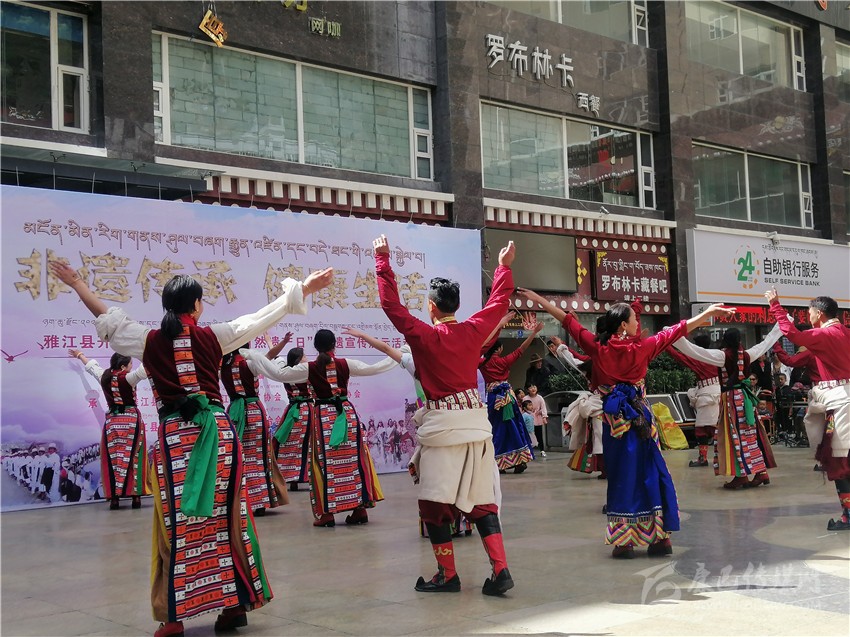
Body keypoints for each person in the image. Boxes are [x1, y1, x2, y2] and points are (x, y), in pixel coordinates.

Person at [49, 258, 333, 637]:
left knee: (175, 523)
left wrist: (77, 282)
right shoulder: (214, 336)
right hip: (218, 434)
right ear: (197, 305)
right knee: (229, 517)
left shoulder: (148, 339)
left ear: (166, 305)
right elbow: (259, 319)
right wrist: (303, 290)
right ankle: (234, 604)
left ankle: (174, 617)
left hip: (175, 441)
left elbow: (108, 318)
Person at [519, 286, 734, 558]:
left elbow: (567, 321)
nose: (637, 324)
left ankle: (624, 541)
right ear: (623, 325)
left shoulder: (598, 348)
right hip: (642, 420)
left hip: (615, 423)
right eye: (634, 319)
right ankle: (659, 538)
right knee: (651, 472)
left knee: (621, 476)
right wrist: (708, 314)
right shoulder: (644, 347)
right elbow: (677, 330)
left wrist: (539, 300)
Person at [374, 233, 517, 596]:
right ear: (456, 305)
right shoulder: (473, 330)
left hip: (442, 429)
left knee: (434, 505)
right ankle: (500, 569)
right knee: (481, 501)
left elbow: (391, 306)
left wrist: (383, 261)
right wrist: (502, 268)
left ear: (431, 307)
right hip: (475, 427)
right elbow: (499, 302)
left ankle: (447, 575)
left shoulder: (424, 336)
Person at [242, 329, 395, 528]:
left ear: (315, 347)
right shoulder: (345, 364)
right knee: (353, 461)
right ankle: (359, 509)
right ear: (334, 344)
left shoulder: (309, 368)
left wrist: (252, 354)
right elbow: (375, 368)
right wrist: (400, 355)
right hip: (346, 415)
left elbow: (279, 373)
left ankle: (326, 514)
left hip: (323, 418)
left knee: (323, 465)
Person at [765, 290, 850, 531]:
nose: (808, 315)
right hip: (840, 399)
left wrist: (775, 305)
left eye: (810, 312)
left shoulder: (824, 335)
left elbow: (793, 334)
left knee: (839, 460)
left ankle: (848, 515)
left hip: (840, 403)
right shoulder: (845, 333)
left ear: (819, 313)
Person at [672, 323, 783, 490]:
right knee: (750, 435)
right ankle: (761, 472)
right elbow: (765, 343)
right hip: (745, 399)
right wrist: (780, 327)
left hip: (731, 400)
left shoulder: (722, 356)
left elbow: (695, 351)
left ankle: (741, 476)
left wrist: (672, 337)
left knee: (734, 437)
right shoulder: (748, 354)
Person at [70, 348, 149, 510]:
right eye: (130, 364)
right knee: (133, 457)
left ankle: (114, 499)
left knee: (113, 459)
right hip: (131, 421)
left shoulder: (104, 376)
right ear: (123, 367)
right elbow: (145, 369)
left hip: (112, 422)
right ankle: (135, 497)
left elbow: (92, 367)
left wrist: (80, 355)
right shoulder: (129, 378)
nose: (131, 367)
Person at [220, 336, 290, 516]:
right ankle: (260, 501)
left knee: (239, 456)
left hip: (234, 413)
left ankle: (241, 500)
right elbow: (269, 356)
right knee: (258, 457)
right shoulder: (250, 363)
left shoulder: (223, 367)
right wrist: (282, 343)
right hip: (253, 412)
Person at [479, 318, 542, 474]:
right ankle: (519, 460)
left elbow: (477, 349)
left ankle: (499, 462)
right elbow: (521, 349)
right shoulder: (503, 361)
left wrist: (498, 326)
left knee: (496, 428)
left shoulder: (482, 363)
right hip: (507, 398)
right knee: (514, 427)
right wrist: (534, 333)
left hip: (493, 399)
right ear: (499, 349)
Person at [667, 334, 722, 468]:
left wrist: (665, 344)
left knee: (704, 428)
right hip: (716, 393)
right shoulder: (716, 356)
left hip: (707, 395)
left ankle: (705, 458)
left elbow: (678, 357)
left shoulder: (698, 358)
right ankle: (720, 457)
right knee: (713, 427)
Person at [272, 347, 314, 492]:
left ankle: (291, 478)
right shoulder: (306, 372)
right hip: (306, 410)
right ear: (299, 359)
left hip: (292, 411)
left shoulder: (285, 371)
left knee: (289, 444)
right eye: (304, 356)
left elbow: (277, 358)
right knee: (309, 444)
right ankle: (307, 476)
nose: (306, 358)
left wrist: (270, 343)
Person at [525, 384, 548, 458]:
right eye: (531, 387)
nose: (533, 389)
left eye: (534, 387)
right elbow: (523, 408)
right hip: (528, 419)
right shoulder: (525, 398)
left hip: (537, 419)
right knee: (529, 435)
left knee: (539, 435)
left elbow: (543, 407)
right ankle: (529, 451)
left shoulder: (540, 398)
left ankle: (542, 450)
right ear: (528, 390)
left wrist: (544, 417)